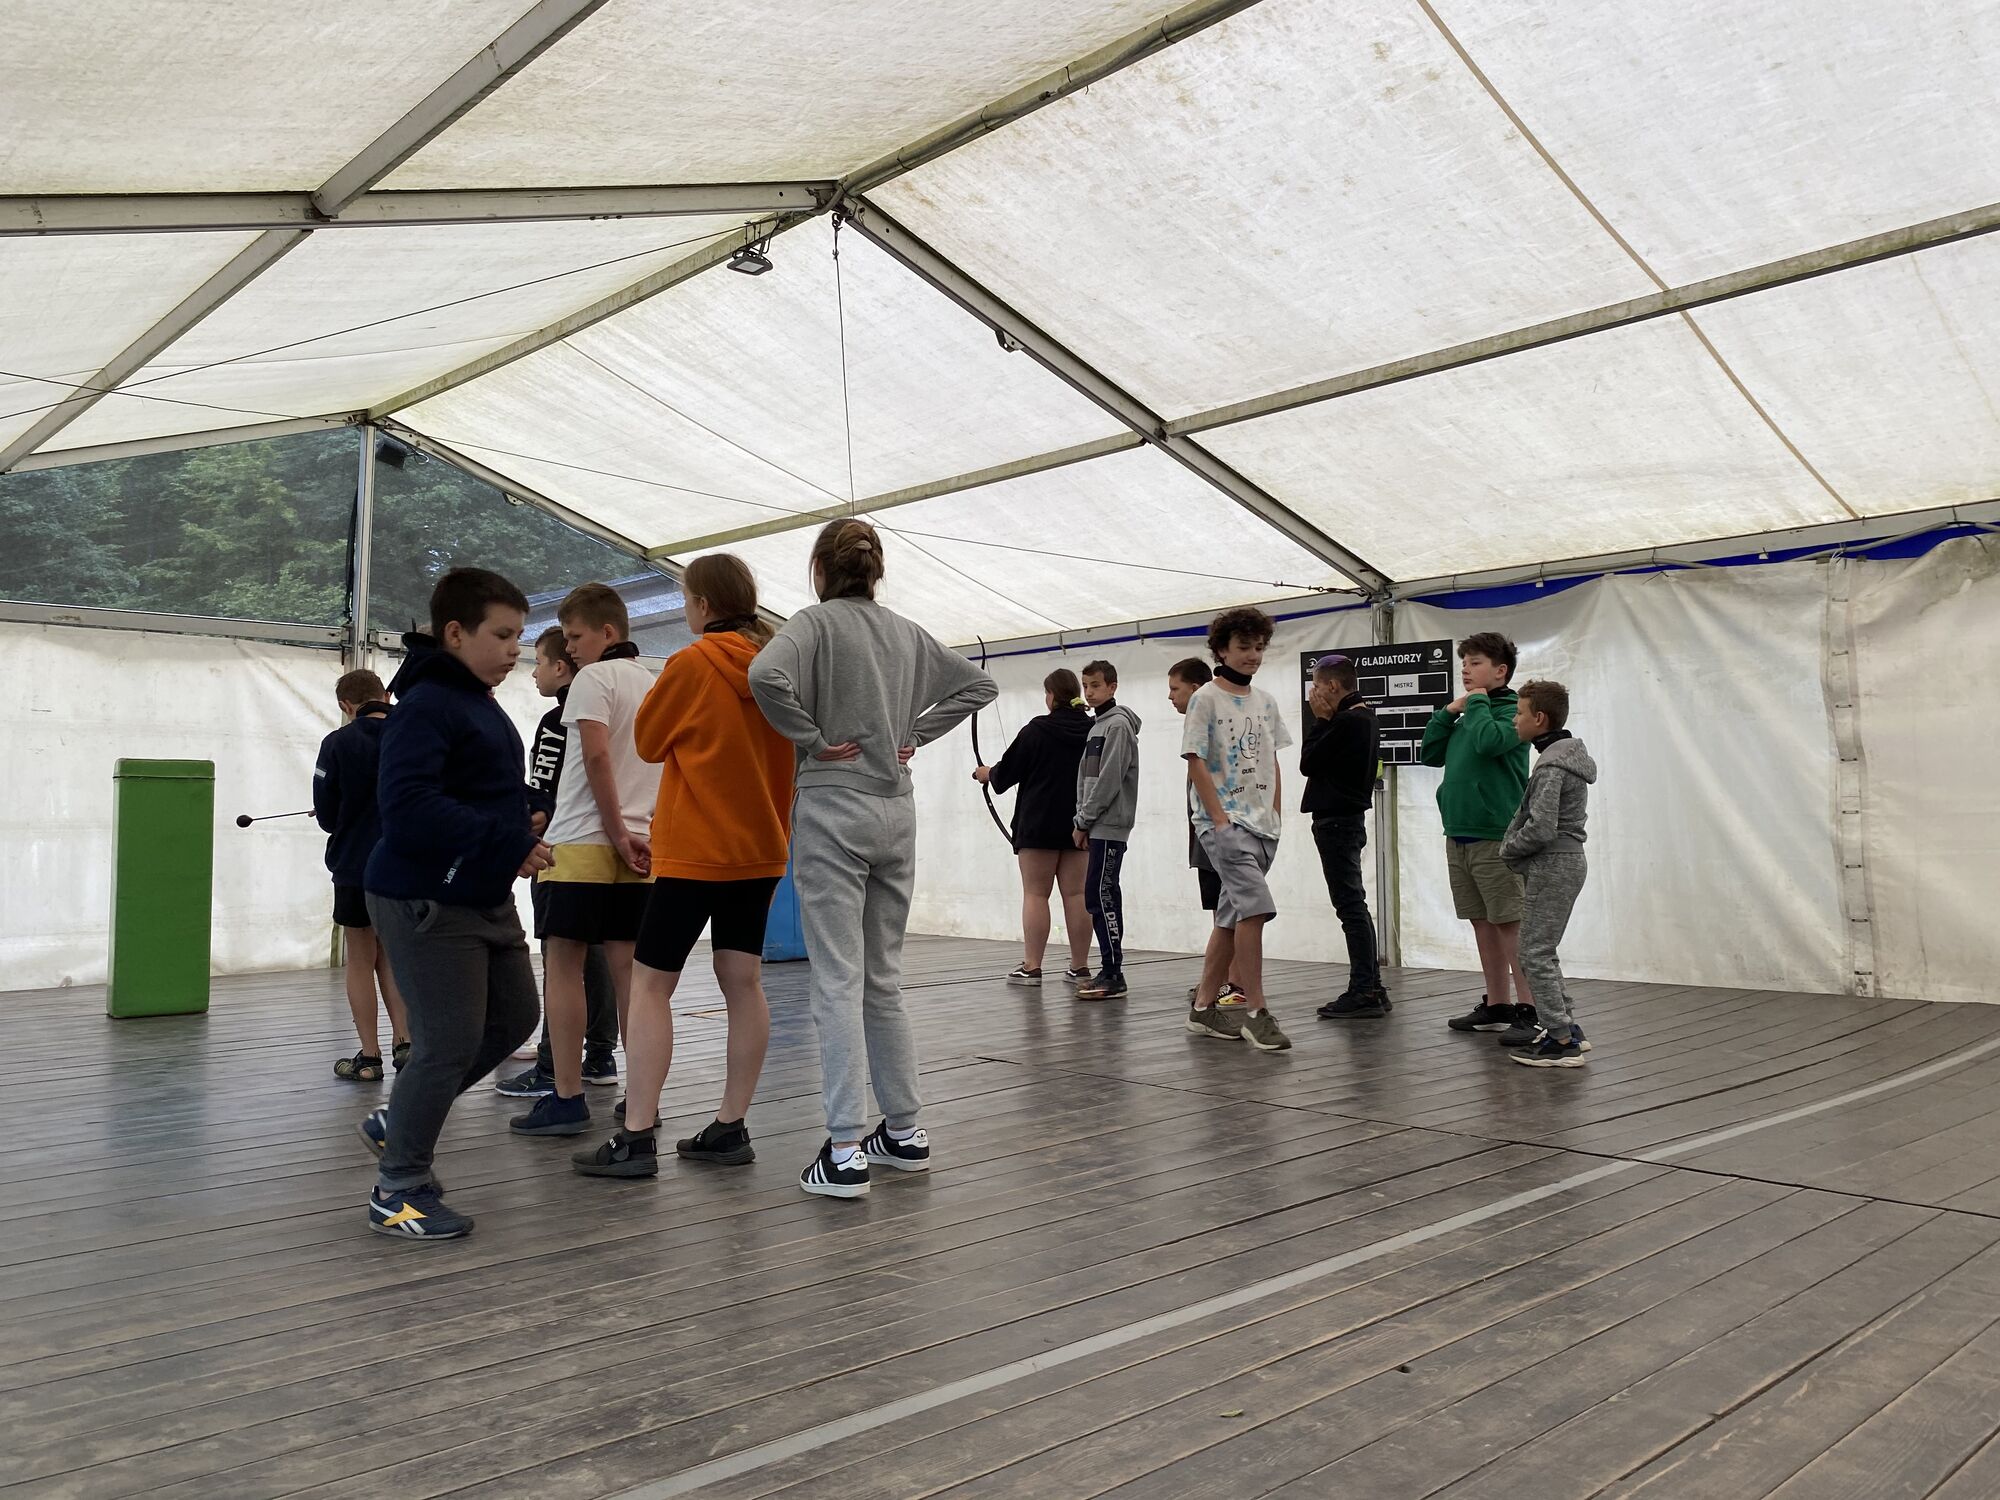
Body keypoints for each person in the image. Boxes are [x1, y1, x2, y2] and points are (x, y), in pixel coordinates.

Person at [748, 518, 996, 1199]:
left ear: (820, 570)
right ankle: (905, 1133)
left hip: (834, 806)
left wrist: (812, 739)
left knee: (836, 979)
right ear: (875, 570)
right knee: (882, 978)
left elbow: (765, 674)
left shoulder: (813, 624)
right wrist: (913, 732)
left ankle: (845, 1150)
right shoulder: (906, 632)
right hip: (896, 811)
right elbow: (979, 686)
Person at [573, 555, 796, 1178]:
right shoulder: (780, 664)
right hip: (761, 848)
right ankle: (730, 1126)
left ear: (701, 604)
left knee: (651, 986)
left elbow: (647, 742)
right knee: (743, 982)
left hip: (695, 850)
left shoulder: (691, 664)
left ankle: (636, 1135)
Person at [358, 568, 551, 1240]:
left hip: (478, 892)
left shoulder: (473, 700)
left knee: (515, 1016)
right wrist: (505, 838)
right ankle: (397, 1189)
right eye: (502, 635)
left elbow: (475, 788)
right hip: (425, 899)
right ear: (455, 633)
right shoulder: (427, 706)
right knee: (446, 1044)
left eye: (519, 637)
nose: (514, 650)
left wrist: (526, 808)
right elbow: (408, 808)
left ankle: (400, 1122)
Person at [512, 583, 656, 1138]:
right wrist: (633, 833)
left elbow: (596, 756)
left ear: (607, 633)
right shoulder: (654, 682)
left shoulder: (594, 680)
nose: (569, 649)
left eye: (574, 637)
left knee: (564, 968)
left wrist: (613, 832)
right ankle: (641, 1100)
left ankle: (567, 1096)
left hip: (579, 843)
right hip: (641, 844)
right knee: (631, 975)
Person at [496, 627, 620, 1092]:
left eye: (541, 664)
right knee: (602, 953)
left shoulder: (557, 720)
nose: (534, 674)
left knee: (561, 961)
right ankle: (601, 1054)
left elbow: (543, 791)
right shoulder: (617, 703)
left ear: (563, 667)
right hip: (612, 843)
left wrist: (525, 833)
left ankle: (552, 1064)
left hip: (562, 849)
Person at [1183, 606, 1293, 1052]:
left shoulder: (1265, 701)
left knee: (1231, 916)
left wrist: (1275, 814)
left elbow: (1272, 757)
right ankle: (1255, 1012)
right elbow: (1195, 760)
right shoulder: (1205, 698)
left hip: (1262, 825)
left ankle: (1203, 1007)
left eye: (1259, 647)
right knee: (1256, 910)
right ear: (1222, 650)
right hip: (1225, 824)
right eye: (1244, 647)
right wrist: (1219, 821)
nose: (1253, 655)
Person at [1420, 632, 1536, 1036]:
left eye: (1475, 663)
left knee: (1510, 923)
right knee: (1482, 922)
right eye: (1464, 663)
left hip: (1496, 834)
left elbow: (1490, 744)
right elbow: (1429, 753)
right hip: (1459, 832)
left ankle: (1531, 1009)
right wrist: (1448, 712)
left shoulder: (1513, 714)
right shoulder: (1470, 713)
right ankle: (1498, 1003)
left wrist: (1478, 702)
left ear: (1500, 671)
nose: (1466, 670)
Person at [314, 668, 409, 1081]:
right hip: (402, 866)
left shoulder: (336, 743)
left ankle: (369, 1058)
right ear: (385, 696)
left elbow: (327, 815)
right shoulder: (410, 737)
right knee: (392, 954)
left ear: (345, 705)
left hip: (355, 866)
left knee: (360, 957)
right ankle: (406, 1044)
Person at [973, 667, 1093, 989]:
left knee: (1036, 894)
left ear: (1051, 695)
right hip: (1079, 824)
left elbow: (1006, 773)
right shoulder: (1093, 729)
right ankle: (1080, 967)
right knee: (1077, 894)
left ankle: (1032, 967)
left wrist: (987, 773)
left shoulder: (1037, 730)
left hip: (1038, 825)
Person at [1503, 681, 1597, 1067]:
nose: (1514, 720)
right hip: (1566, 862)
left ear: (1539, 718)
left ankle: (1560, 1041)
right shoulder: (1563, 758)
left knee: (1533, 952)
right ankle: (1566, 1027)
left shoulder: (1552, 766)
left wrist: (1509, 848)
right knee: (1542, 949)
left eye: (1519, 713)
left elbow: (1541, 827)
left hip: (1554, 864)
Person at [1303, 654, 1390, 1020]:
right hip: (1347, 819)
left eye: (1317, 686)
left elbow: (1308, 762)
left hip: (1337, 821)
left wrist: (1321, 720)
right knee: (1355, 904)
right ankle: (1372, 985)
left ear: (1333, 686)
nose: (1314, 694)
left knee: (1350, 906)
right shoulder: (1364, 717)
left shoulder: (1345, 721)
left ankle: (1363, 988)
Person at [1167, 658, 1244, 1005]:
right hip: (1207, 831)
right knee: (1219, 906)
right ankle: (1225, 979)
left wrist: (1222, 825)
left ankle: (1236, 983)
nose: (1170, 697)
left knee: (1232, 907)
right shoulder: (1199, 725)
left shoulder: (1216, 724)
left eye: (1175, 689)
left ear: (1196, 689)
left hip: (1221, 830)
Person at [1072, 660, 1140, 1002]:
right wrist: (1081, 819)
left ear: (1112, 687)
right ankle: (1109, 969)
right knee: (1097, 894)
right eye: (1086, 685)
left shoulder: (1117, 726)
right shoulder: (1096, 726)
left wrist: (1085, 820)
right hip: (1096, 824)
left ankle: (1113, 972)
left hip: (1110, 824)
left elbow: (1109, 779)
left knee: (1103, 894)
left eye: (1096, 685)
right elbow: (1085, 779)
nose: (1089, 692)